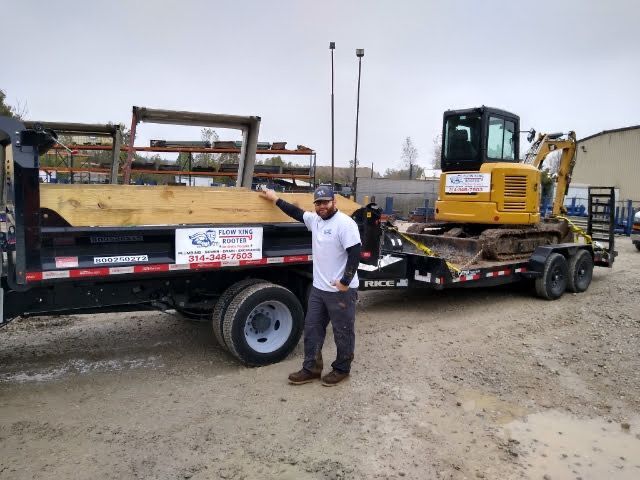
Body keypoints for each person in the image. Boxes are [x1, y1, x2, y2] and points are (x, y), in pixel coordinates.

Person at [260, 185, 361, 386]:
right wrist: (275, 198)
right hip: (319, 289)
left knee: (343, 331)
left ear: (334, 202)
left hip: (340, 291)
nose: (321, 206)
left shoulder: (345, 224)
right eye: (318, 203)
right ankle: (312, 368)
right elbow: (295, 212)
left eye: (325, 202)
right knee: (312, 328)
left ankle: (342, 369)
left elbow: (355, 253)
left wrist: (345, 282)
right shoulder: (314, 221)